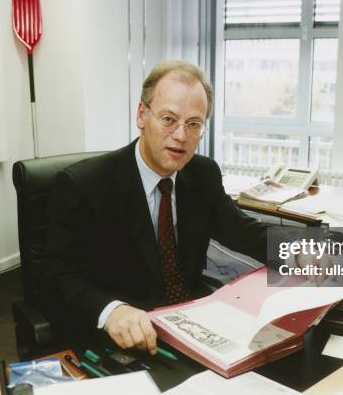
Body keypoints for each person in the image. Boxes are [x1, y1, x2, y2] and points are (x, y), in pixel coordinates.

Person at [44, 60, 274, 356]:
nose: (181, 136)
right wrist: (111, 311)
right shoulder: (84, 185)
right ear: (142, 115)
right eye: (168, 119)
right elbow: (56, 275)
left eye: (194, 124)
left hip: (193, 318)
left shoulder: (203, 173)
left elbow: (242, 230)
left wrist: (310, 250)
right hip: (129, 334)